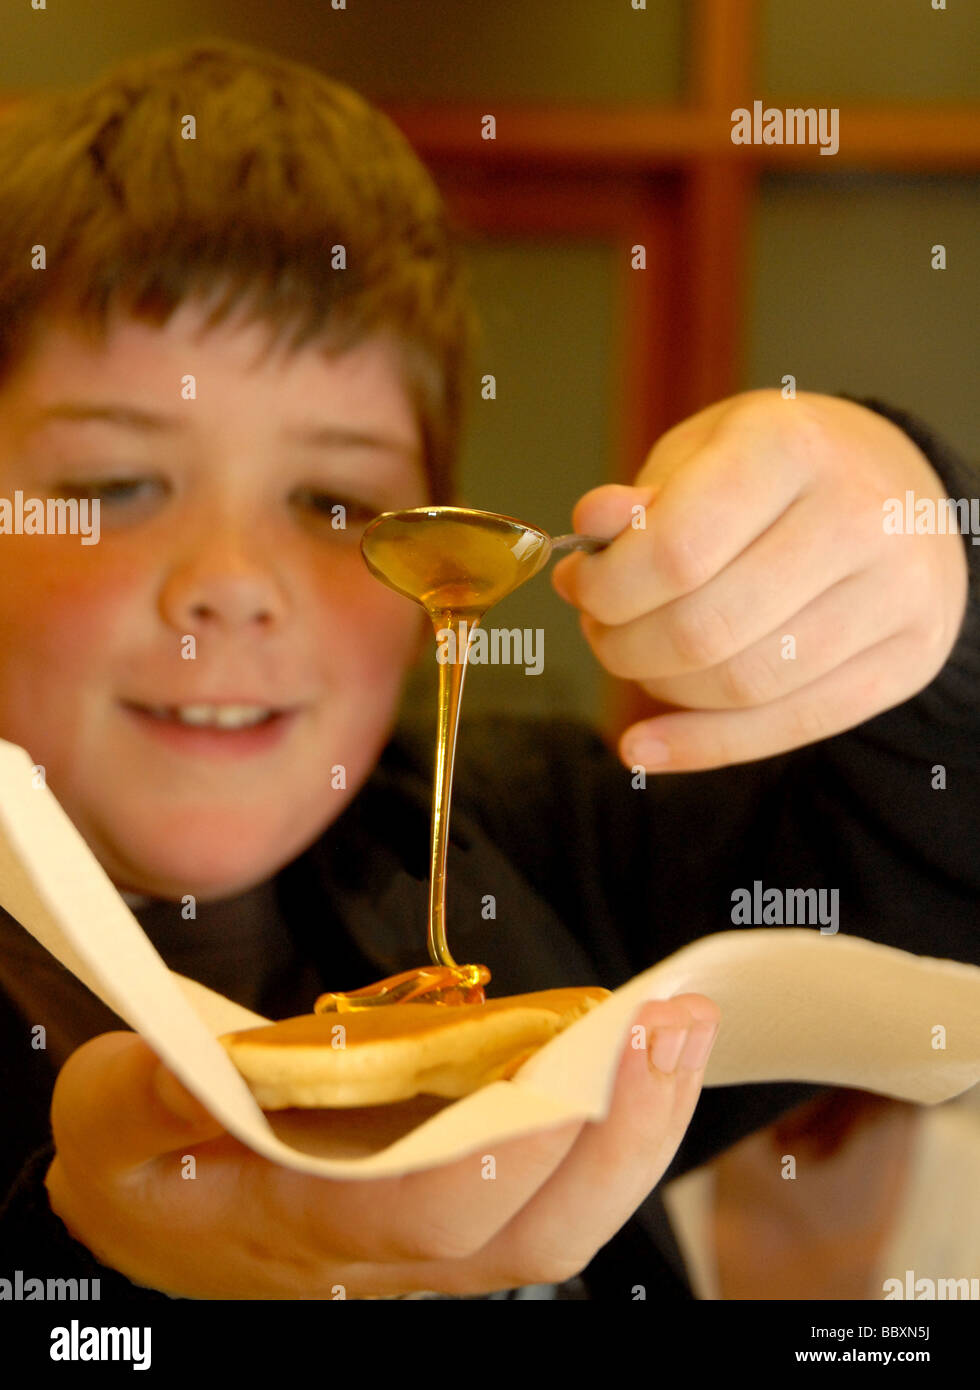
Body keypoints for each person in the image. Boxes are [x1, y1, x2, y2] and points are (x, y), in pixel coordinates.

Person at [0, 38, 976, 1301]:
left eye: (335, 499)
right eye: (113, 485)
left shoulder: (539, 846)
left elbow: (932, 869)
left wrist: (923, 555)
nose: (232, 578)